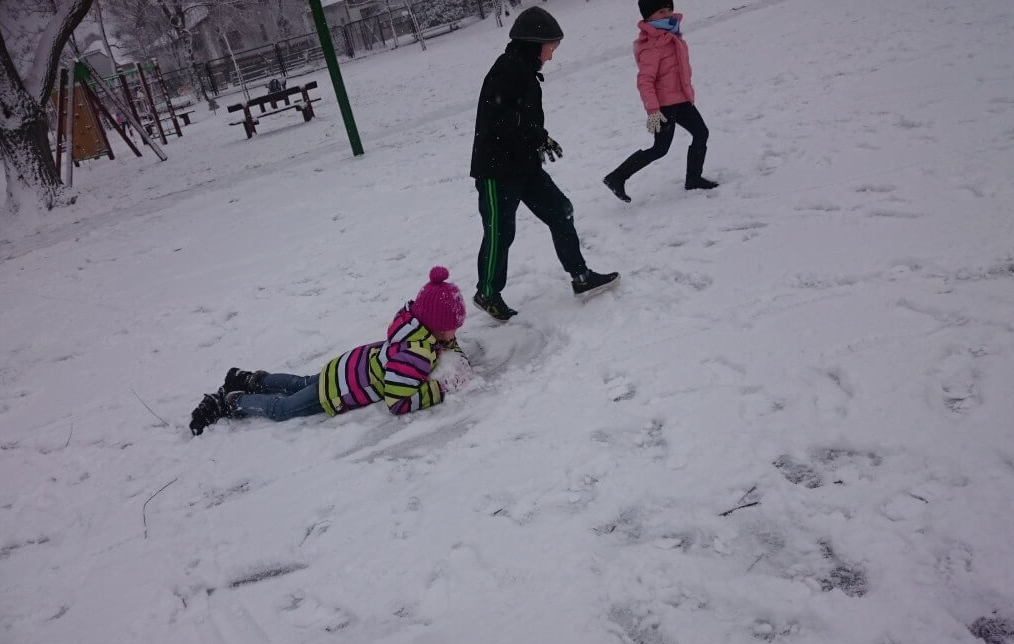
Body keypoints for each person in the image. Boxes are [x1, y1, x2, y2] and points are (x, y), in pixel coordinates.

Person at [189, 267, 471, 436]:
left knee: (298, 382)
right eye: (452, 328)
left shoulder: (410, 324)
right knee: (282, 408)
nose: (455, 333)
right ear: (436, 327)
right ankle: (231, 402)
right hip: (338, 391)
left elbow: (441, 341)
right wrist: (438, 389)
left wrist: (451, 349)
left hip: (344, 368)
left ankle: (250, 379)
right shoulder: (414, 355)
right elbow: (397, 401)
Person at [470, 6, 619, 322]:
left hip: (524, 165)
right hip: (497, 170)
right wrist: (535, 135)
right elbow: (501, 120)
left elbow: (521, 119)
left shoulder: (523, 70)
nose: (552, 55)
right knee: (500, 232)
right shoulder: (507, 69)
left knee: (560, 210)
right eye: (551, 46)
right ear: (534, 43)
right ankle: (487, 292)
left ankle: (581, 276)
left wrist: (541, 137)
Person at [602, 0, 719, 203]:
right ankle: (617, 177)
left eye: (669, 10)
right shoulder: (651, 46)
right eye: (661, 12)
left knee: (701, 133)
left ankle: (693, 179)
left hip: (681, 99)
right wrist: (653, 110)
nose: (667, 15)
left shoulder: (672, 35)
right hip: (664, 106)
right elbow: (645, 81)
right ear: (648, 17)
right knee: (660, 149)